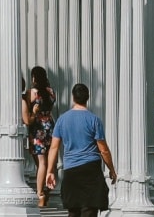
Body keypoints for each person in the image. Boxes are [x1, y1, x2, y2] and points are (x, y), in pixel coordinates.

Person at [45, 83, 117, 217]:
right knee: (89, 210)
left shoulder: (62, 120)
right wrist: (111, 169)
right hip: (91, 170)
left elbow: (54, 147)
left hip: (71, 170)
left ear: (73, 98)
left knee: (73, 211)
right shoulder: (94, 120)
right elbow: (103, 150)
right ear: (87, 98)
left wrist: (50, 171)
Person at [23, 66, 57, 207]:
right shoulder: (51, 92)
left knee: (41, 163)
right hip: (49, 126)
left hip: (37, 128)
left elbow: (27, 111)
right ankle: (45, 191)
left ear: (34, 78)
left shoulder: (31, 93)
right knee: (48, 162)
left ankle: (40, 194)